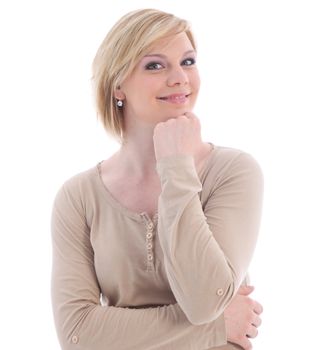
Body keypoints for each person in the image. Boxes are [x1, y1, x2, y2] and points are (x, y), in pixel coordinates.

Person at [50, 8, 264, 350]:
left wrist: (176, 166)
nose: (180, 77)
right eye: (155, 65)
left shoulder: (234, 171)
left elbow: (204, 301)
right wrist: (217, 328)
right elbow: (79, 334)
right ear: (117, 84)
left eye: (188, 62)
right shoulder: (78, 197)